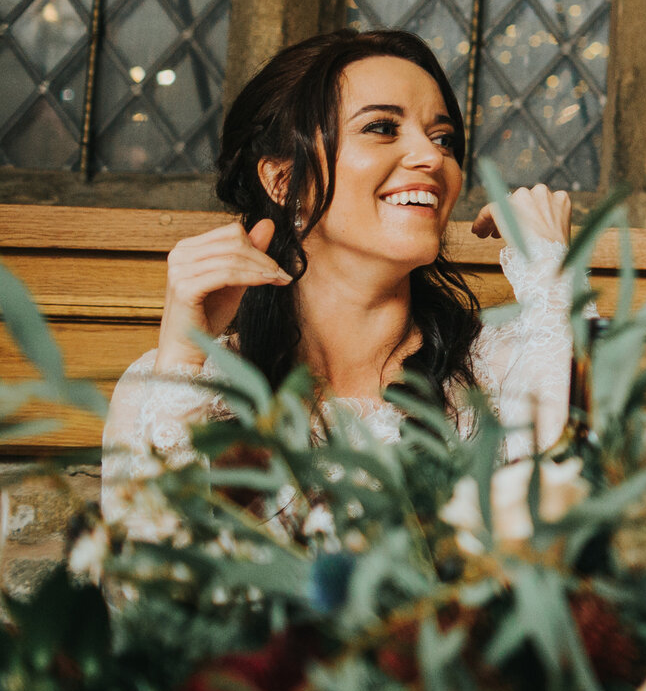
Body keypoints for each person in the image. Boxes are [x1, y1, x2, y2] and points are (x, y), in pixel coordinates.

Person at [103, 29, 582, 535]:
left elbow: (579, 535)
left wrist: (554, 281)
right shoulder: (172, 390)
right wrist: (182, 357)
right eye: (381, 127)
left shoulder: (503, 370)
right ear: (283, 182)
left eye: (442, 138)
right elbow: (149, 594)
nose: (432, 158)